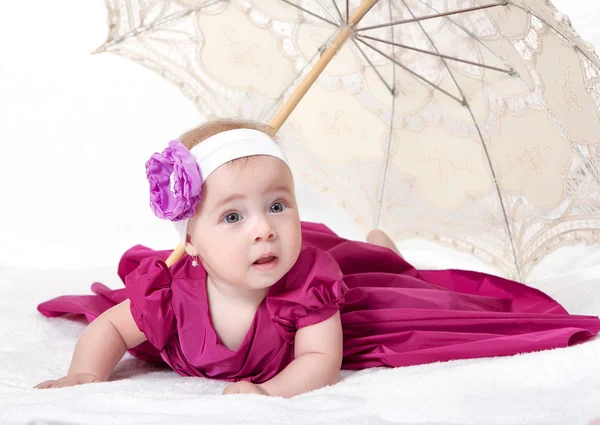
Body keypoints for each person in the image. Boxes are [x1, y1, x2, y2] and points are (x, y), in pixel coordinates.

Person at [36, 119, 600, 397]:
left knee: (383, 282)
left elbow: (320, 361)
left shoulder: (306, 286)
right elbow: (111, 327)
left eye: (278, 205)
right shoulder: (172, 291)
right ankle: (373, 246)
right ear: (194, 242)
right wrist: (85, 373)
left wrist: (269, 392)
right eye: (233, 216)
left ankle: (382, 249)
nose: (263, 229)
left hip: (314, 268)